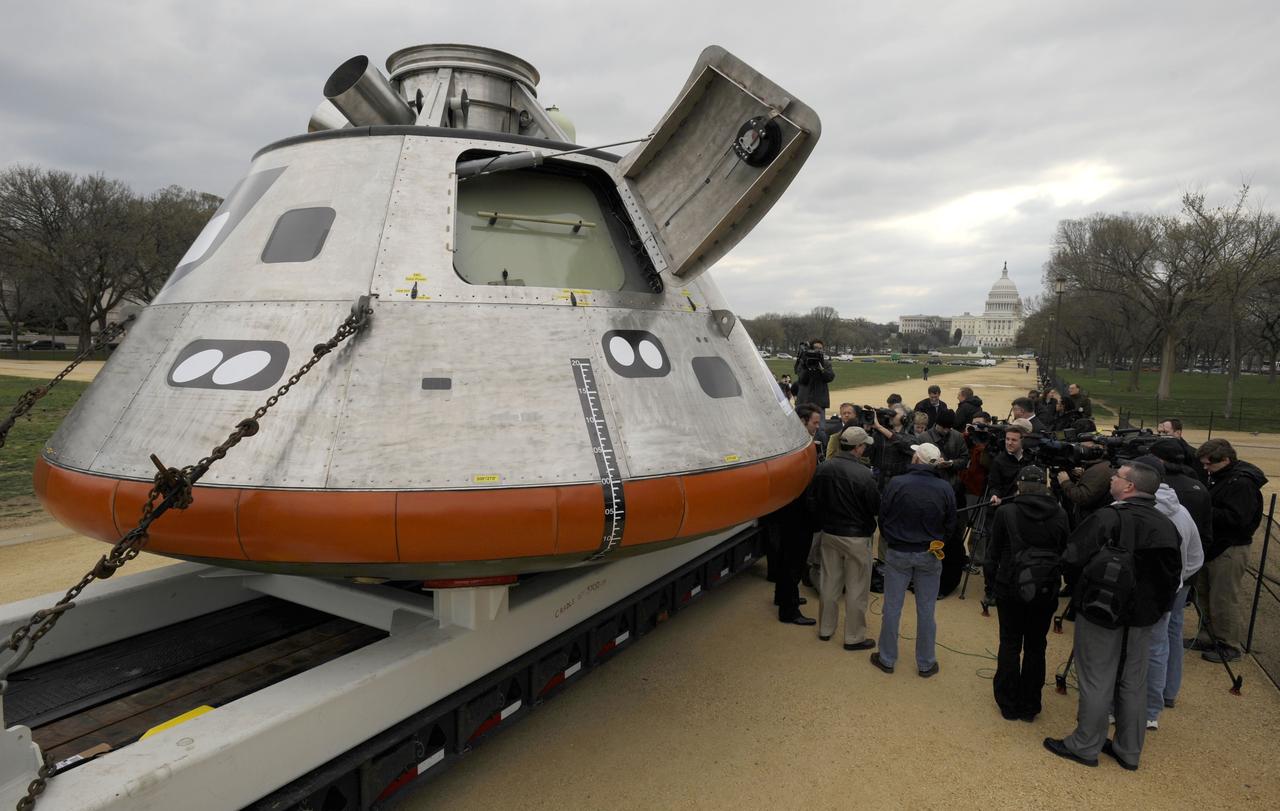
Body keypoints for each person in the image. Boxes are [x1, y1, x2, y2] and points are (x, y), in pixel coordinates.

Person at [1044, 462, 1182, 770]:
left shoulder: (1108, 517)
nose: (1111, 479)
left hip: (1102, 611)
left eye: (1117, 476)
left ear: (1130, 486)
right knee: (1133, 681)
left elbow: (1073, 557)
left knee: (1096, 677)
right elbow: (1174, 574)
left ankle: (1084, 745)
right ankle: (1128, 750)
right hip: (1145, 617)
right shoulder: (1165, 524)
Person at [984, 466, 1069, 721]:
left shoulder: (1006, 512)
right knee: (1036, 645)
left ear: (1019, 485)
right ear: (1045, 486)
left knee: (1010, 642)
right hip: (1045, 588)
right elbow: (1066, 550)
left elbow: (992, 554)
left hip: (1010, 586)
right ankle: (1030, 704)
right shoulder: (1060, 514)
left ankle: (1008, 703)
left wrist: (991, 586)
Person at [870, 442, 955, 677]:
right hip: (929, 553)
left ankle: (887, 658)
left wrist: (893, 540)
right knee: (926, 610)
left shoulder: (897, 483)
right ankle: (926, 663)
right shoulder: (945, 487)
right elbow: (951, 524)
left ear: (917, 459)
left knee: (892, 607)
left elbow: (883, 517)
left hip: (899, 551)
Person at [1132, 455, 1203, 731]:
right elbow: (1196, 557)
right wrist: (1178, 582)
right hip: (1171, 590)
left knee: (1128, 646)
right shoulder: (1182, 512)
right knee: (1160, 646)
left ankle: (1123, 706)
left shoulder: (1126, 508)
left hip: (1140, 591)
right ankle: (1155, 705)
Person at [1191, 439, 1268, 663]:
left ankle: (1229, 645)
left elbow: (1238, 519)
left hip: (1230, 548)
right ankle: (1207, 637)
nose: (1205, 468)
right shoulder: (1220, 476)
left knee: (1223, 598)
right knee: (1203, 593)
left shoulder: (1241, 483)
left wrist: (1205, 510)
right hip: (1214, 545)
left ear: (1225, 460)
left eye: (1208, 464)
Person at [807, 426, 880, 650]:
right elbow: (875, 506)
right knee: (857, 588)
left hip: (829, 532)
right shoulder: (864, 474)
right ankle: (854, 637)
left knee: (829, 583)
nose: (865, 448)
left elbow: (813, 499)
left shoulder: (824, 467)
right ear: (857, 448)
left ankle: (826, 629)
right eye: (863, 445)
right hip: (856, 537)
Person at [774, 403, 822, 626]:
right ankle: (789, 610)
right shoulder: (800, 447)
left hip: (787, 512)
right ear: (802, 421)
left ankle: (783, 597)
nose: (817, 427)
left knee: (785, 558)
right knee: (794, 562)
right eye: (815, 422)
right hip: (798, 516)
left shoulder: (788, 441)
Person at [921, 411, 970, 597]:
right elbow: (918, 462)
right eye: (944, 427)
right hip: (929, 491)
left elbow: (965, 460)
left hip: (952, 491)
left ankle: (946, 580)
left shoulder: (957, 437)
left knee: (951, 535)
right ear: (937, 424)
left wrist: (950, 463)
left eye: (949, 427)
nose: (947, 430)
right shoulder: (924, 437)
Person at [1054, 438, 1113, 525]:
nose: (1080, 451)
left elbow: (1082, 497)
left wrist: (1065, 482)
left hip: (1089, 521)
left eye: (1084, 449)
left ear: (1097, 450)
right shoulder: (1101, 465)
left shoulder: (1098, 470)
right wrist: (1083, 476)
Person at [987, 419, 1035, 501]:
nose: (1009, 443)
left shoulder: (1031, 458)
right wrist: (995, 495)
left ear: (1022, 441)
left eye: (1014, 440)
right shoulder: (998, 461)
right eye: (1007, 439)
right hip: (1007, 504)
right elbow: (994, 486)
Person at [867, 406, 915, 487]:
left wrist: (880, 427)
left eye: (895, 414)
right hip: (879, 482)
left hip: (899, 483)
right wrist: (867, 431)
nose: (891, 416)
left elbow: (902, 443)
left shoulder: (911, 438)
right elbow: (867, 454)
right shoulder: (878, 435)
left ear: (904, 418)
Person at [794, 339, 835, 414]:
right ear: (811, 349)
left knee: (820, 425)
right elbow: (802, 380)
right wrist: (806, 367)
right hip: (804, 401)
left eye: (820, 348)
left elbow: (830, 378)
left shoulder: (826, 364)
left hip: (819, 402)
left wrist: (822, 369)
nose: (818, 350)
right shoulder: (803, 363)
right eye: (816, 348)